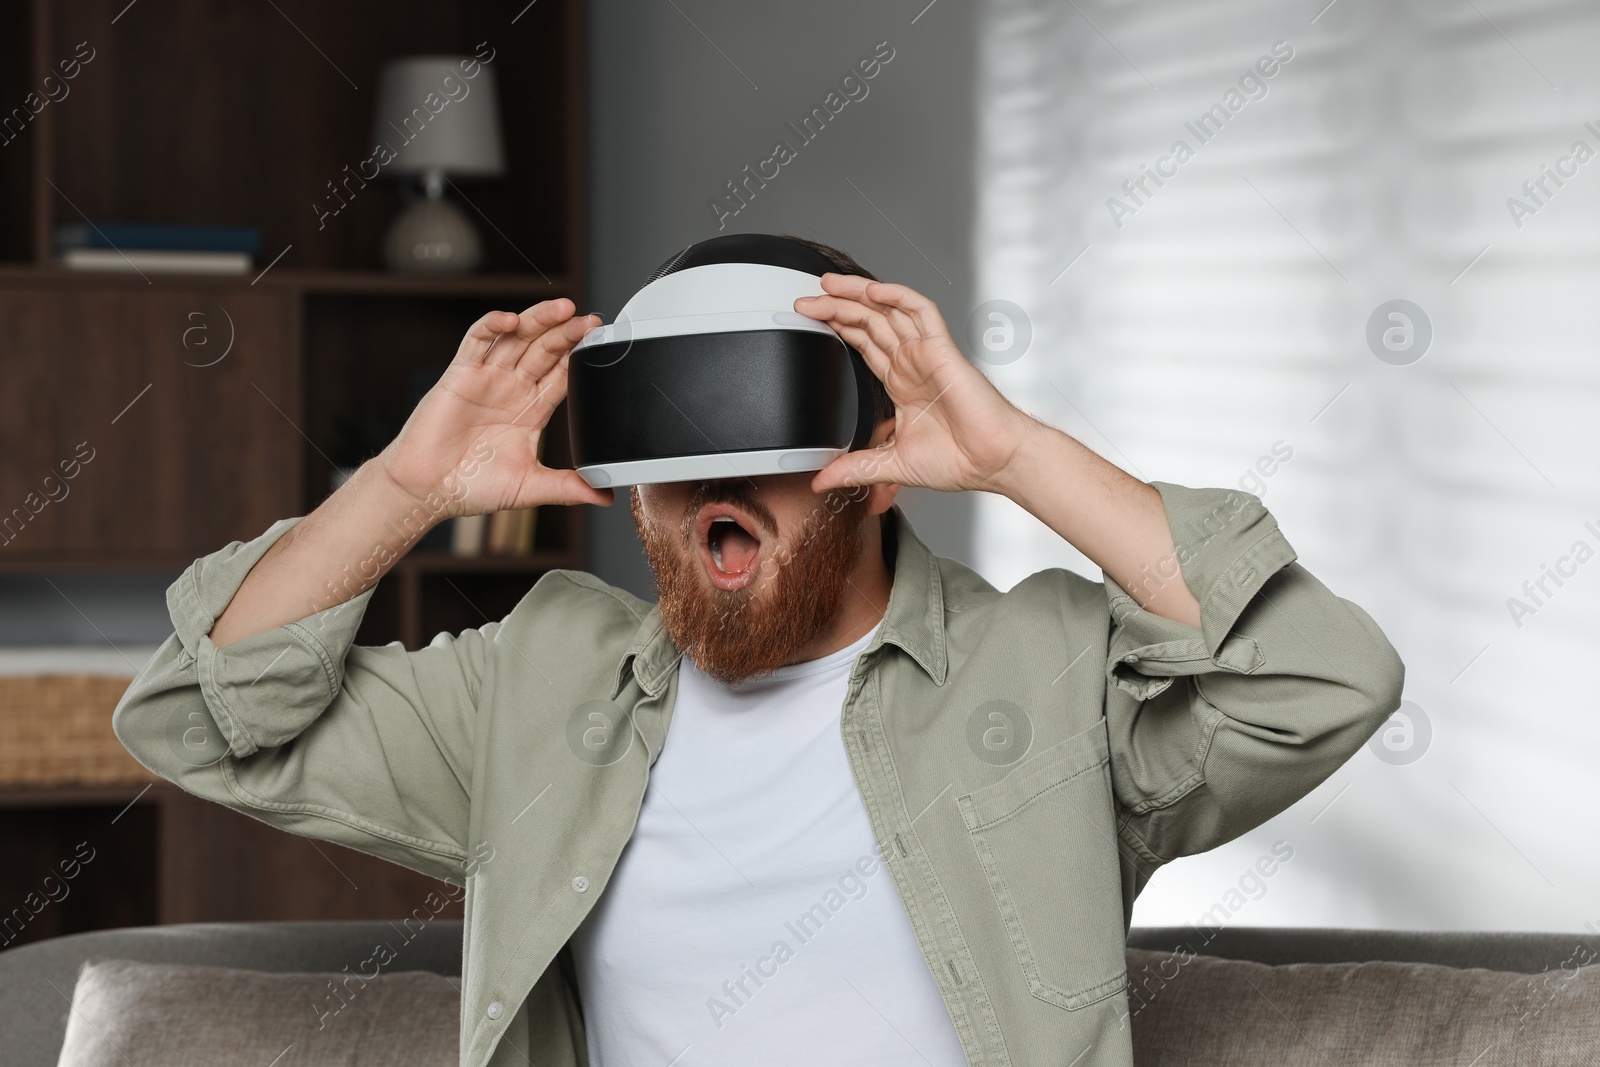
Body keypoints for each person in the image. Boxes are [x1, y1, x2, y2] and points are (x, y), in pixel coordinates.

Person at [114, 235, 1405, 1067]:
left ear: (879, 470)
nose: (709, 485)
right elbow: (193, 712)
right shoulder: (539, 681)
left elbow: (1322, 683)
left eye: (757, 439)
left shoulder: (1045, 671)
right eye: (669, 457)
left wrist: (1016, 457)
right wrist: (404, 484)